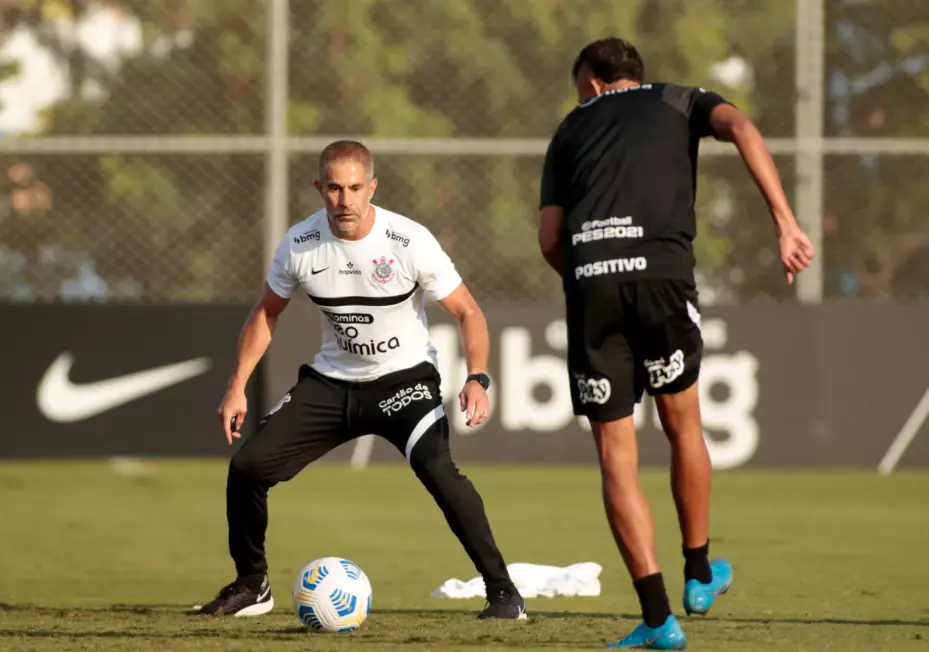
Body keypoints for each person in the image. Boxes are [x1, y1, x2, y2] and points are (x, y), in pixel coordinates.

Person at [537, 38, 814, 649]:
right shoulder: (680, 100)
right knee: (683, 424)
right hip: (662, 279)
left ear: (591, 82)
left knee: (616, 454)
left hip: (592, 287)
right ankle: (697, 572)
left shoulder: (568, 128)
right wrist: (785, 222)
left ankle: (659, 619)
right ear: (636, 73)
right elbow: (741, 126)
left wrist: (590, 281)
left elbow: (550, 237)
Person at [196, 140, 526, 621]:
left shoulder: (409, 241)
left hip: (404, 381)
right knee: (247, 467)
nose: (344, 200)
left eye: (354, 188)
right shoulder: (299, 244)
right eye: (333, 188)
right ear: (318, 189)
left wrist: (478, 378)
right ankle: (253, 584)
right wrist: (236, 385)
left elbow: (467, 312)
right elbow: (267, 313)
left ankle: (503, 594)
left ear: (372, 187)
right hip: (331, 384)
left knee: (440, 472)